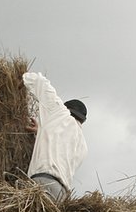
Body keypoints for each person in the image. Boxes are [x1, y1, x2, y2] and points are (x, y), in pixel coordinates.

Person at [23, 71, 88, 202]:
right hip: (62, 195)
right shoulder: (83, 145)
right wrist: (40, 131)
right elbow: (59, 146)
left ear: (67, 108)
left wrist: (23, 78)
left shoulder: (60, 113)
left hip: (43, 183)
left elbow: (39, 81)